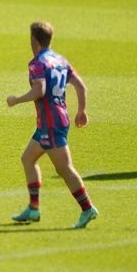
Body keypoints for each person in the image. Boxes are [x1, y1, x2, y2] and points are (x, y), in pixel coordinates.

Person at [6, 21, 99, 228]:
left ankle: (87, 208)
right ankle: (33, 208)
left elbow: (39, 90)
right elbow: (81, 86)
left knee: (64, 169)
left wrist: (16, 100)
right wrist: (81, 110)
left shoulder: (37, 63)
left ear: (34, 40)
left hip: (51, 123)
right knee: (28, 158)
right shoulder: (60, 60)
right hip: (53, 121)